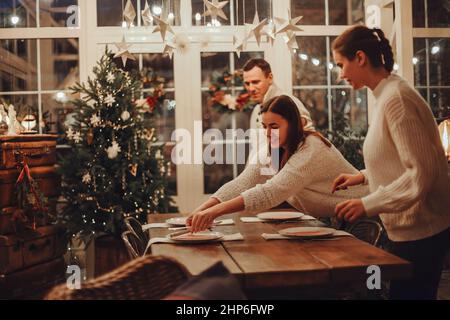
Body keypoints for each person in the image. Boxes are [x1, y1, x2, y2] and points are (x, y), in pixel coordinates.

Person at [330, 25, 450, 300]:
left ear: (360, 58)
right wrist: (362, 177)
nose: (340, 74)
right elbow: (398, 158)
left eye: (341, 64)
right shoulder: (386, 94)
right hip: (411, 232)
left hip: (423, 232)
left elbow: (422, 173)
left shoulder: (396, 99)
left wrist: (366, 204)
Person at [187, 95, 368, 233]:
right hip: (336, 219)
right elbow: (244, 181)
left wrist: (215, 212)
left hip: (365, 216)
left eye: (274, 126)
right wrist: (202, 209)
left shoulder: (311, 148)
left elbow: (270, 192)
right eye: (264, 126)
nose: (268, 133)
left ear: (294, 124)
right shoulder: (276, 148)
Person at [243, 58, 315, 131]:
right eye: (247, 83)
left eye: (255, 82)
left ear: (270, 78)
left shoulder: (287, 103)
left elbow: (308, 135)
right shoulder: (256, 110)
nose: (251, 88)